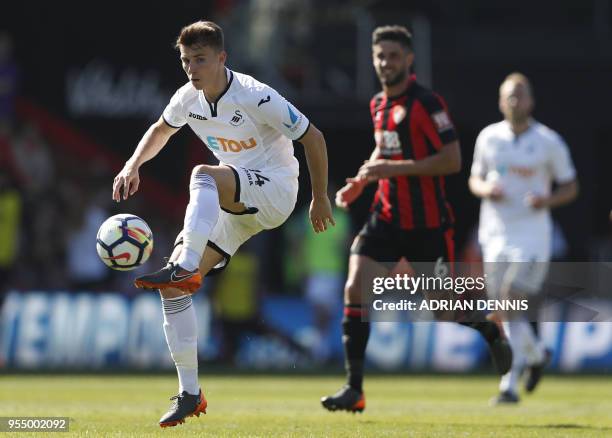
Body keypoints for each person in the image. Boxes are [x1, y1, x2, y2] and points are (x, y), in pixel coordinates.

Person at [112, 20, 335, 427]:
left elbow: (313, 137)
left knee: (203, 173)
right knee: (174, 291)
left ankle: (187, 260)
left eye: (199, 59)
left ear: (221, 58)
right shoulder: (187, 98)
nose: (192, 69)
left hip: (276, 191)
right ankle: (190, 393)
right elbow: (161, 129)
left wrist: (319, 198)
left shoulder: (255, 95)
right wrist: (133, 164)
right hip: (238, 203)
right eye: (185, 61)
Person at [321, 25, 512, 413]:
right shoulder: (378, 105)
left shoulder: (427, 104)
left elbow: (452, 160)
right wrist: (360, 182)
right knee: (355, 287)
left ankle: (490, 328)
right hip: (386, 218)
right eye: (380, 56)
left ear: (409, 59)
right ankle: (353, 388)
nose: (385, 62)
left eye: (393, 55)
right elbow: (382, 149)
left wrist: (392, 171)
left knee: (443, 310)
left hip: (428, 227)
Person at [469, 72, 578, 404]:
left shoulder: (548, 141)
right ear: (501, 102)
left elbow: (570, 186)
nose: (515, 102)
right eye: (509, 96)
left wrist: (547, 200)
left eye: (521, 96)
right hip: (495, 232)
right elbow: (474, 179)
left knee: (507, 299)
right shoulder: (489, 138)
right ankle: (528, 364)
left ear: (531, 101)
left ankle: (511, 380)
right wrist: (487, 188)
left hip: (532, 235)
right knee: (507, 309)